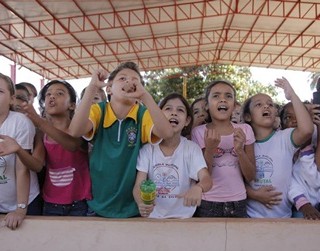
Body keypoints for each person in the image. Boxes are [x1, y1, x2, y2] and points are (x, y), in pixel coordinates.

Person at [68, 61, 174, 218]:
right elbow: (75, 131)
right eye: (122, 78)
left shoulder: (142, 114)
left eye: (135, 80)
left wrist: (146, 96)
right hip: (97, 204)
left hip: (133, 207)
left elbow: (167, 133)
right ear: (109, 88)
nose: (129, 82)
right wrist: (92, 88)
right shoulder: (99, 110)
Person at [242, 77, 313, 218]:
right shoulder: (242, 143)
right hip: (250, 219)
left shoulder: (284, 138)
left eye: (270, 104)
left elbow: (307, 130)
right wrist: (255, 195)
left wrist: (292, 95)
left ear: (275, 114)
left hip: (283, 218)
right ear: (248, 116)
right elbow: (232, 180)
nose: (266, 106)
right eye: (258, 105)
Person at [133, 93, 212, 218]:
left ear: (187, 121)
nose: (174, 113)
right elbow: (138, 185)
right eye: (168, 108)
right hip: (153, 218)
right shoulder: (147, 150)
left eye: (180, 110)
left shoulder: (191, 149)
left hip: (184, 219)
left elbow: (206, 179)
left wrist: (199, 187)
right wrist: (141, 203)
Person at [21, 80, 92, 216]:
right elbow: (37, 165)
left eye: (59, 93)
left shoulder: (79, 128)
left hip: (80, 202)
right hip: (51, 202)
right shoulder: (41, 133)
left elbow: (72, 145)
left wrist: (38, 120)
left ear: (72, 105)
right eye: (48, 95)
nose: (52, 97)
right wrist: (18, 149)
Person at [191, 80, 256, 217]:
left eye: (228, 96)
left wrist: (239, 151)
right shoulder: (198, 132)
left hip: (238, 201)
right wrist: (209, 150)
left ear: (234, 105)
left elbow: (251, 176)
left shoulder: (245, 130)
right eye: (216, 96)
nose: (223, 100)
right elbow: (201, 178)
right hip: (207, 203)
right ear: (207, 105)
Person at [0, 73, 36, 230]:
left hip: (24, 200)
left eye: (0, 92)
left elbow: (22, 169)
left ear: (12, 99)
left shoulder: (20, 122)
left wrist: (21, 209)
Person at [281, 102, 320, 220]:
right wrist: (304, 205)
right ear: (281, 126)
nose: (295, 121)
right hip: (302, 207)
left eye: (301, 115)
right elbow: (291, 186)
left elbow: (315, 179)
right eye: (288, 117)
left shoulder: (314, 140)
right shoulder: (283, 149)